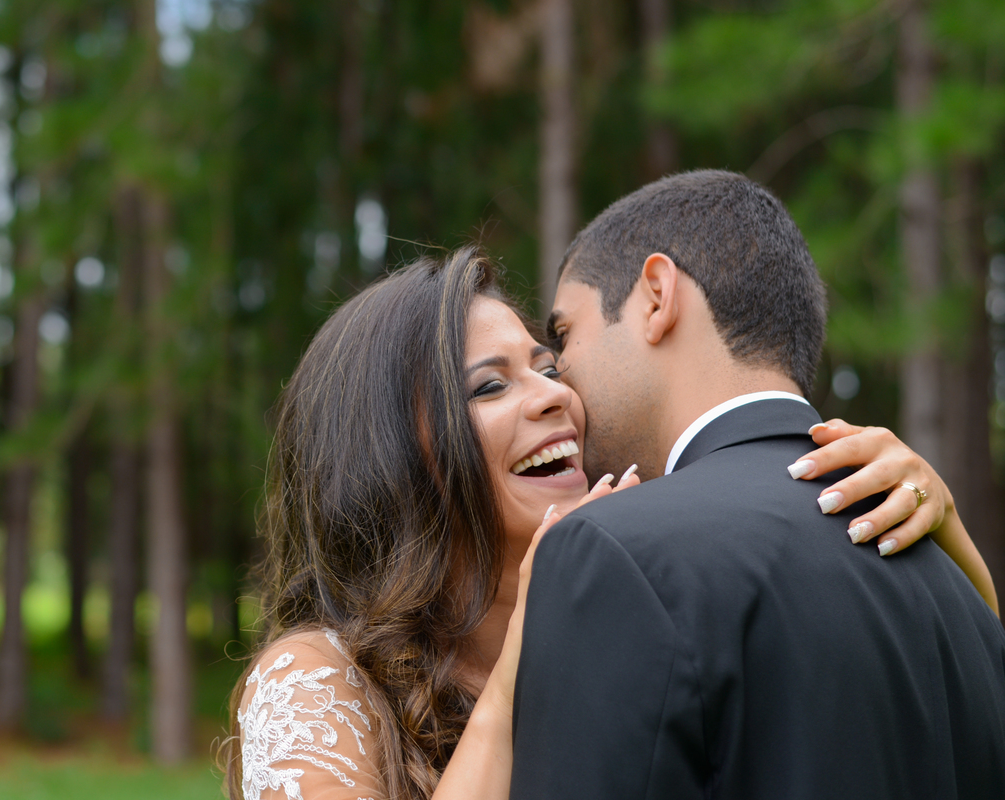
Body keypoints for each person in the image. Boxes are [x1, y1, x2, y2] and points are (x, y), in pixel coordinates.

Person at [224, 234, 996, 800]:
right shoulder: (316, 681)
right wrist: (517, 668)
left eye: (548, 367)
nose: (555, 396)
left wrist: (946, 538)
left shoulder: (629, 606)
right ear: (387, 454)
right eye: (489, 386)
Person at [510, 170, 1005, 799]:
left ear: (657, 297)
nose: (560, 378)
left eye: (563, 336)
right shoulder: (962, 595)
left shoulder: (612, 552)